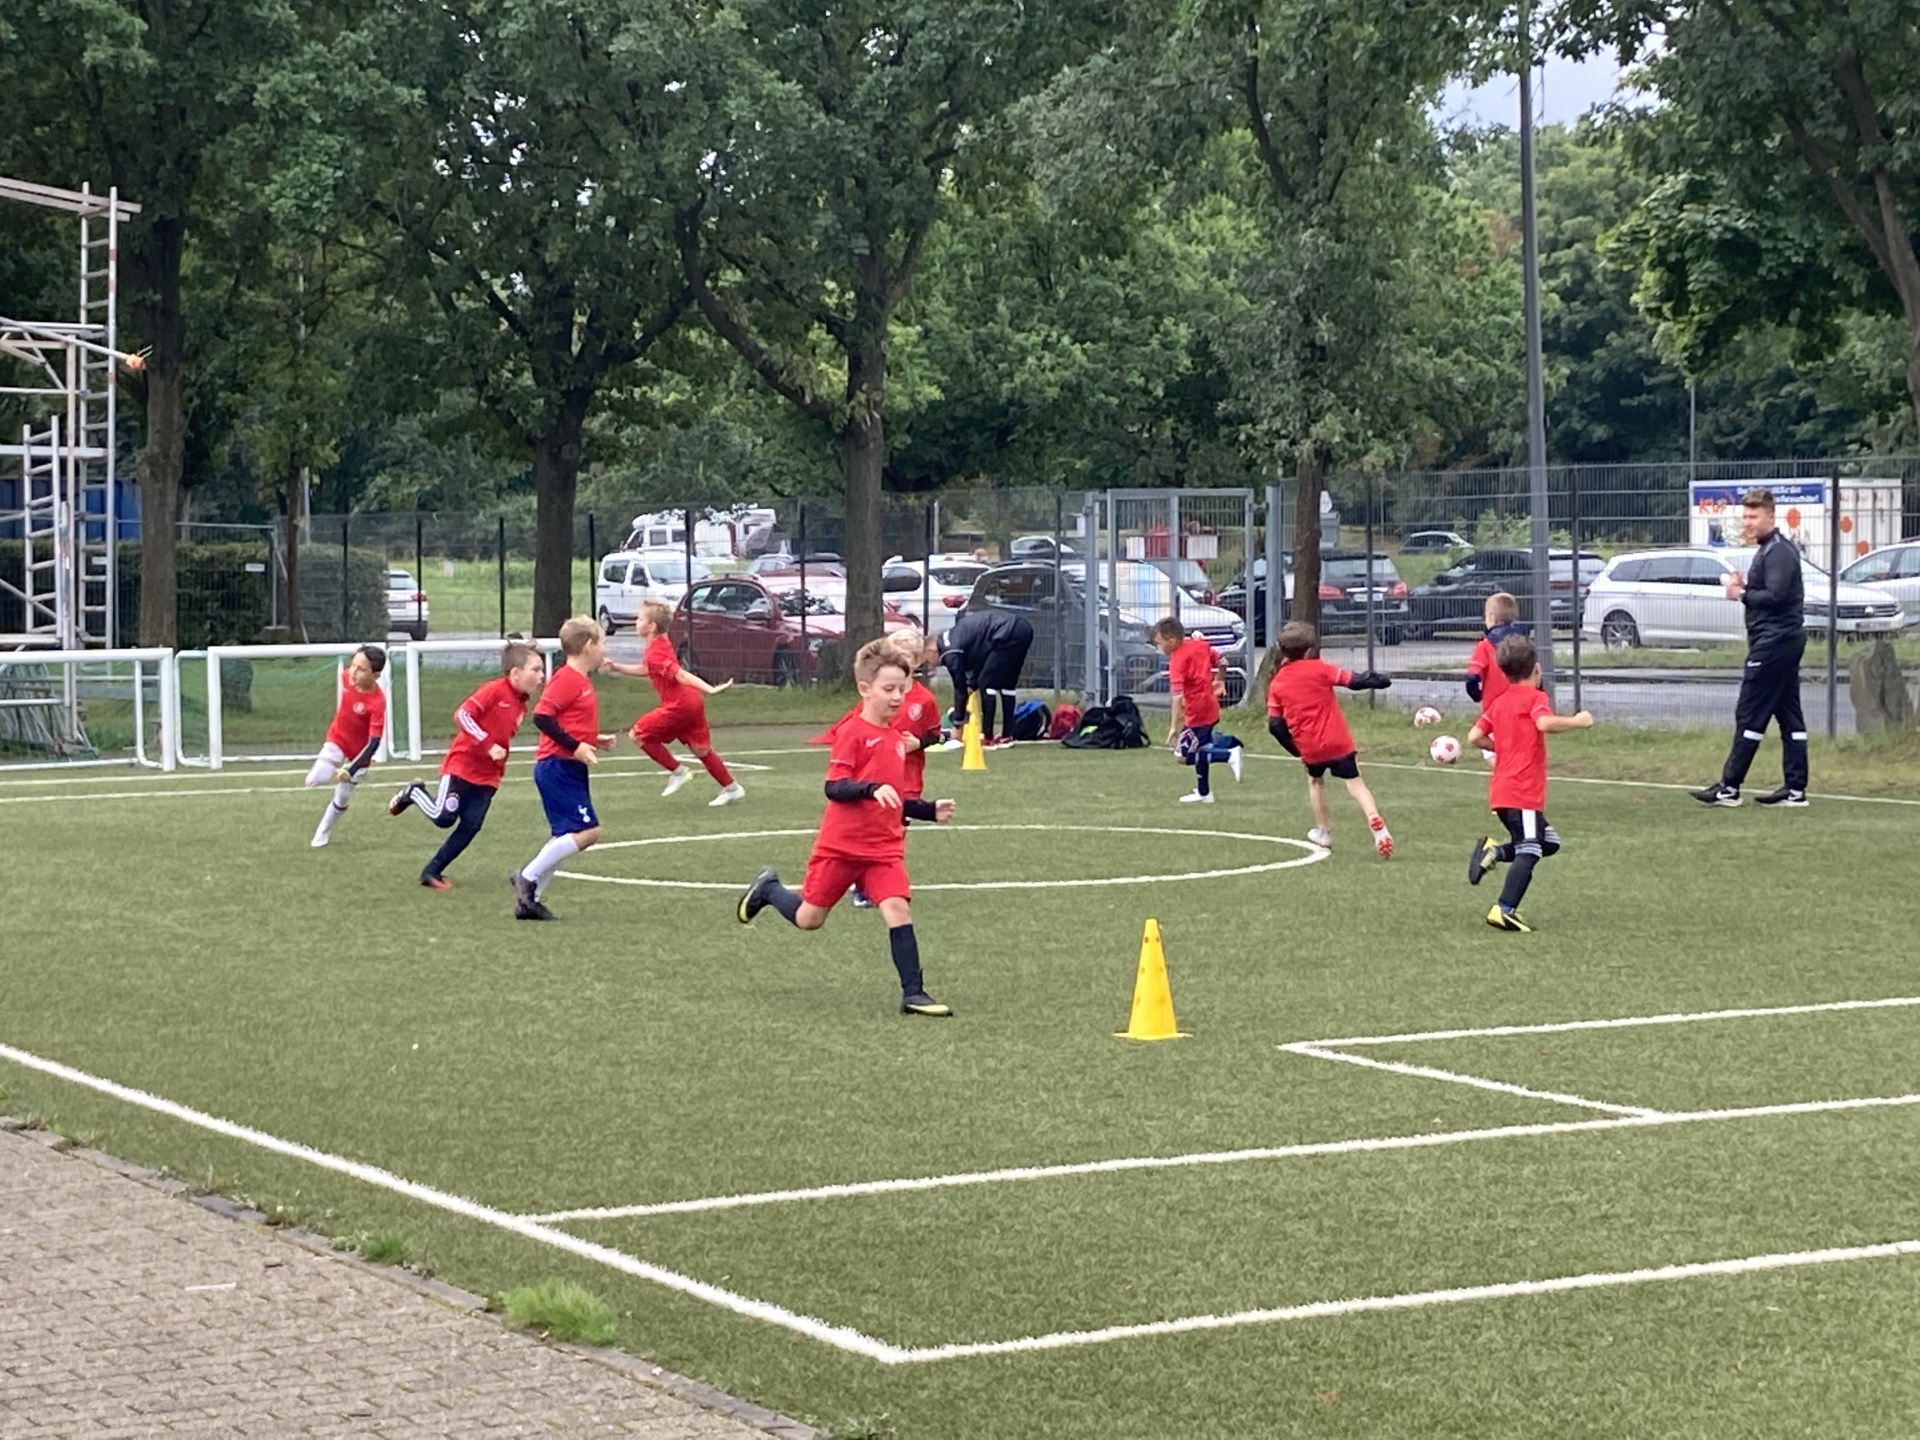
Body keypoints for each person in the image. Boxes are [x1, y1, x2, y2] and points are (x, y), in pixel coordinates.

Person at [736, 639, 957, 1017]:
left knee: (897, 909)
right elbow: (834, 787)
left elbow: (892, 797)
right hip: (841, 848)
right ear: (864, 689)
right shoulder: (853, 733)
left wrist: (926, 809)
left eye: (902, 689)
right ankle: (769, 889)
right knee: (809, 919)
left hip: (883, 850)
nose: (897, 697)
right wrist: (870, 789)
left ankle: (914, 994)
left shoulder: (897, 740)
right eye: (889, 689)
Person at [389, 642, 545, 889]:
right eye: (535, 669)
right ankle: (414, 792)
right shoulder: (494, 690)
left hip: (488, 776)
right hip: (461, 766)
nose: (541, 675)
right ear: (515, 673)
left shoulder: (521, 704)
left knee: (471, 825)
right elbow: (462, 714)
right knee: (443, 817)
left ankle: (432, 871)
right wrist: (487, 744)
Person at [1466, 633, 1594, 932]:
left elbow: (1474, 737)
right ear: (1536, 669)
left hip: (1502, 791)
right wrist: (1578, 721)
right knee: (1531, 849)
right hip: (1521, 791)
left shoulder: (1499, 702)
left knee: (1549, 843)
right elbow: (1544, 723)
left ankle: (1494, 852)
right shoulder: (1535, 698)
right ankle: (1504, 909)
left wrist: (1502, 747)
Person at [1693, 488, 1809, 807]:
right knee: (1789, 715)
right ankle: (1795, 789)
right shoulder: (1770, 549)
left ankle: (1729, 787)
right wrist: (1745, 586)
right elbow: (1770, 590)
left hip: (1774, 642)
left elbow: (1777, 596)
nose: (1747, 522)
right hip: (1781, 641)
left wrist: (1740, 594)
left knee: (1749, 713)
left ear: (1770, 516)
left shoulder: (1779, 551)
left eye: (1753, 516)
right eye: (1745, 516)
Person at [511, 617, 616, 920]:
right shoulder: (568, 678)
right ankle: (527, 877)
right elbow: (542, 717)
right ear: (587, 646)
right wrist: (575, 745)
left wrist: (592, 739)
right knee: (589, 831)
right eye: (602, 643)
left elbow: (567, 721)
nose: (604, 649)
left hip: (567, 766)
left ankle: (529, 902)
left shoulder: (579, 680)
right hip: (557, 766)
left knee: (566, 835)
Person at [1264, 621, 1394, 856]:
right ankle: (1375, 820)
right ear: (1308, 651)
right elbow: (1354, 681)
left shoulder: (1277, 683)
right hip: (1337, 740)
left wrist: (1296, 750)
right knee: (1355, 783)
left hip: (1309, 747)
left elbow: (1275, 725)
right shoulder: (1320, 669)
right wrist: (1379, 680)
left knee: (1315, 782)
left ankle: (1323, 832)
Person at [605, 599, 744, 806]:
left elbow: (681, 674)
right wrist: (616, 667)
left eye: (640, 619)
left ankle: (678, 771)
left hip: (680, 705)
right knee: (701, 750)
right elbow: (647, 669)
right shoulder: (659, 642)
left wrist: (709, 688)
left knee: (638, 735)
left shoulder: (656, 652)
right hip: (692, 702)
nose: (636, 622)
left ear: (652, 626)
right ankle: (731, 788)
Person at [305, 645, 387, 849]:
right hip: (338, 739)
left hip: (359, 754)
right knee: (314, 779)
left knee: (342, 797)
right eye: (353, 665)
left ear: (375, 676)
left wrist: (350, 769)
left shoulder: (377, 702)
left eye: (361, 669)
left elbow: (374, 742)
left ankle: (322, 832)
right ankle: (327, 767)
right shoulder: (344, 677)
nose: (353, 672)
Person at [1151, 617, 1239, 802]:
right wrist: (1220, 680)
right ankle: (1204, 793)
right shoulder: (1200, 645)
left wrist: (1173, 727)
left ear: (1171, 641)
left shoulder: (1177, 661)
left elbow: (1177, 696)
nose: (1158, 648)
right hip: (1210, 706)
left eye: (1159, 643)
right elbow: (1223, 660)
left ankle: (1229, 753)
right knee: (1201, 747)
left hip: (1197, 712)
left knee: (1182, 755)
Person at [939, 607, 1034, 746]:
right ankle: (1007, 735)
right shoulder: (957, 638)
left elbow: (960, 688)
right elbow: (983, 662)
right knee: (1008, 685)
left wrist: (958, 722)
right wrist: (972, 685)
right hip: (1022, 628)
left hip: (1006, 632)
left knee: (987, 683)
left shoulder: (950, 650)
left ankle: (987, 736)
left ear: (930, 650)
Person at [1466, 592, 1527, 717]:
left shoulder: (1485, 645)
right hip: (1521, 707)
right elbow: (1535, 674)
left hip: (1493, 709)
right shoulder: (1524, 644)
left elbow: (1472, 677)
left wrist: (1476, 695)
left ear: (1491, 617)